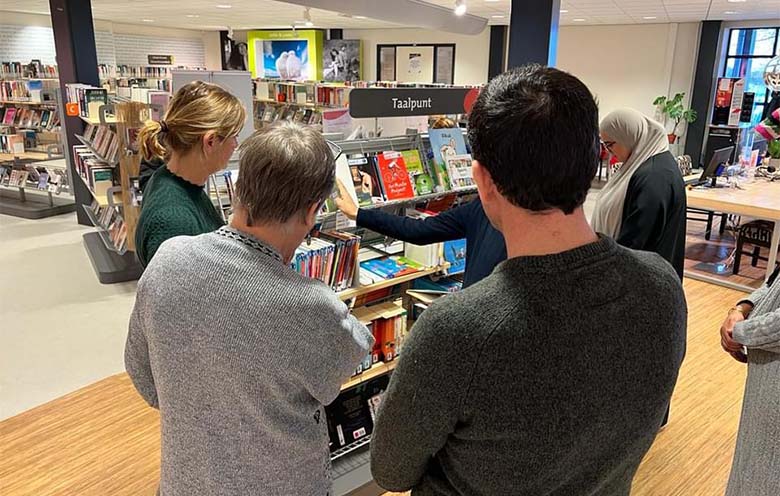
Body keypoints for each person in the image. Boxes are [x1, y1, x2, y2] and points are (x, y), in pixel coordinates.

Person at [370, 65, 687, 496]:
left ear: (482, 180)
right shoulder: (662, 288)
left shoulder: (457, 331)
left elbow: (391, 471)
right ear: (595, 160)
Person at [124, 123, 374, 495]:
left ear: (240, 188)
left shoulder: (167, 259)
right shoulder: (312, 306)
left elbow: (142, 374)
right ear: (311, 212)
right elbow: (343, 364)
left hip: (185, 483)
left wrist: (204, 408)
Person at [334, 120, 505, 288]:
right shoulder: (480, 208)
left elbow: (419, 230)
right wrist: (358, 214)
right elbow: (418, 230)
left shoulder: (483, 208)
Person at [134, 81, 246, 267]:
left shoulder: (170, 177)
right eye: (234, 135)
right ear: (210, 142)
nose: (236, 144)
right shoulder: (174, 222)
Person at [591, 108, 687, 279]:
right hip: (651, 275)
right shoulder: (651, 164)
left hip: (646, 280)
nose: (608, 151)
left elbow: (635, 241)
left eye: (610, 144)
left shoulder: (653, 177)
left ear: (627, 136)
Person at [721, 265, 780, 495]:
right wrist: (741, 309)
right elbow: (774, 281)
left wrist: (740, 332)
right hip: (764, 380)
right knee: (752, 462)